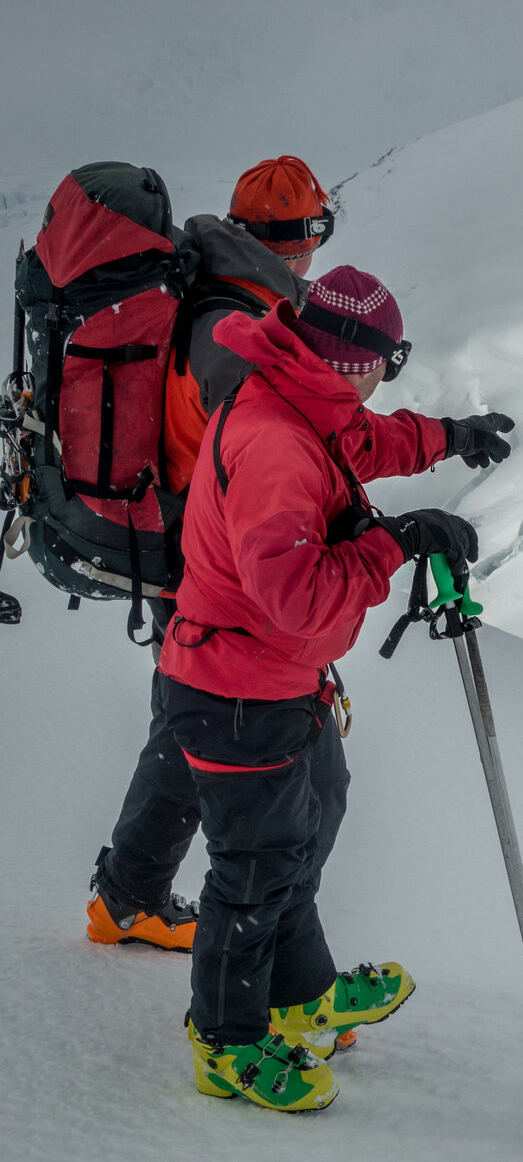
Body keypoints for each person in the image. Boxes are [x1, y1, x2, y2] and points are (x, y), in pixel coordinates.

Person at [154, 265, 513, 1110]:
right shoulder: (278, 446)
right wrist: (393, 543)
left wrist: (450, 436)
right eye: (391, 359)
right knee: (254, 868)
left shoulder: (303, 397)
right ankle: (226, 1042)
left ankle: (298, 993)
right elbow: (299, 596)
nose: (390, 373)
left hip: (278, 679)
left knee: (311, 819)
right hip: (237, 691)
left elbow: (365, 442)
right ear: (357, 363)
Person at [86, 157, 337, 953]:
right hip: (223, 574)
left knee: (184, 729)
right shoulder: (236, 327)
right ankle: (278, 969)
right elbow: (268, 454)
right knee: (312, 772)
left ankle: (128, 898)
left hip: (181, 552)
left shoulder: (211, 290)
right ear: (299, 242)